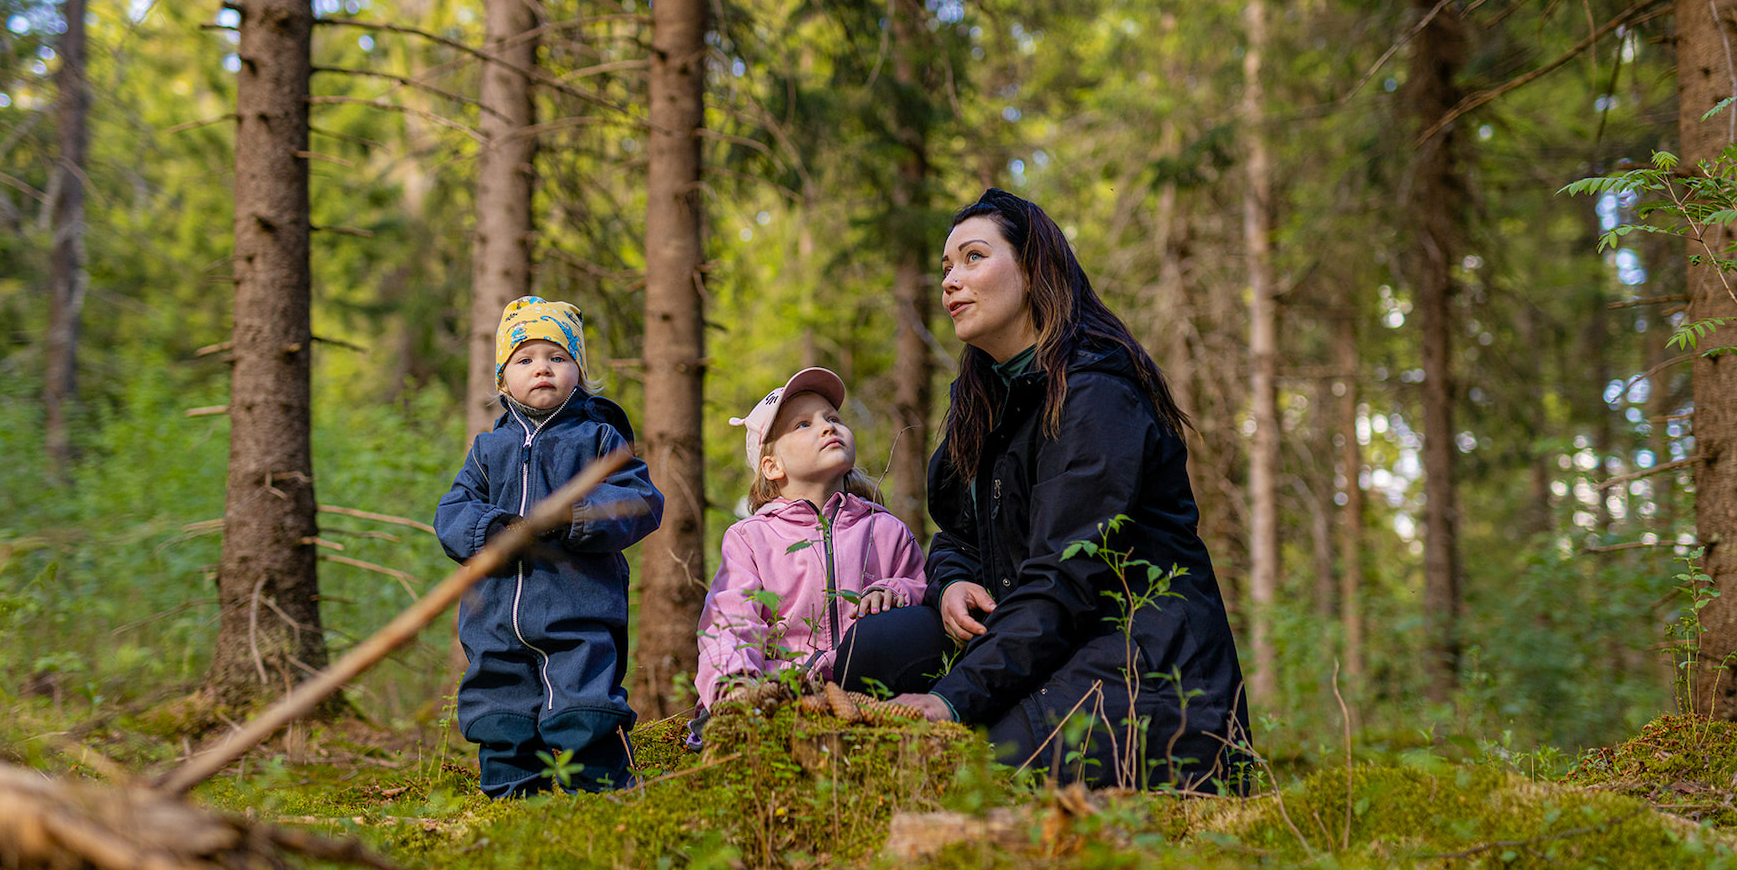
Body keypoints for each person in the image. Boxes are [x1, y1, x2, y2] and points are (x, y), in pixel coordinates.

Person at [839, 189, 1250, 790]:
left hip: (1137, 663)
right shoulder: (982, 398)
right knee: (870, 652)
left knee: (976, 775)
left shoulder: (1096, 393)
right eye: (946, 268)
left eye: (974, 257)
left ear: (1033, 270)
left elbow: (1064, 582)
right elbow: (957, 532)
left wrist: (953, 701)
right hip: (1029, 640)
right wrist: (952, 583)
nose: (951, 281)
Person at [435, 297, 664, 797]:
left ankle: (605, 793)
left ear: (578, 372)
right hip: (495, 620)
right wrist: (493, 530)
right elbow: (452, 511)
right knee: (500, 710)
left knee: (586, 705)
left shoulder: (598, 438)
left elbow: (642, 500)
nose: (542, 367)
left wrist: (575, 517)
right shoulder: (487, 450)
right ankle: (513, 802)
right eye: (526, 359)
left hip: (579, 611)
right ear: (503, 380)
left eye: (557, 358)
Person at [687, 368, 928, 747]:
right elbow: (730, 620)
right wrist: (736, 685)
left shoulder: (885, 530)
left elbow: (921, 592)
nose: (827, 427)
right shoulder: (751, 539)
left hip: (864, 690)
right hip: (780, 690)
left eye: (833, 418)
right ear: (773, 467)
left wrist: (895, 589)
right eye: (803, 424)